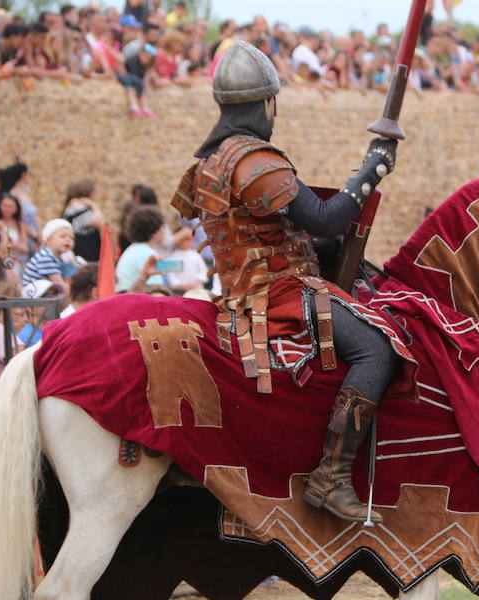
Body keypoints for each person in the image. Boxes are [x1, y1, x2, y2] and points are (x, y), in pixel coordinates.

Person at [170, 41, 400, 524]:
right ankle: (332, 477)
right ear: (266, 103)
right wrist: (371, 169)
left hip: (250, 288)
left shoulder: (208, 164)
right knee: (377, 347)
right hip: (278, 294)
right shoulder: (254, 161)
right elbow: (325, 219)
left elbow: (266, 231)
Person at [115, 206, 167, 293]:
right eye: (162, 227)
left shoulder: (132, 249)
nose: (164, 231)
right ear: (154, 233)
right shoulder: (148, 254)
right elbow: (157, 291)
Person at [22, 218, 74, 293]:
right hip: (34, 298)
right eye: (63, 236)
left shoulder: (57, 257)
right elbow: (61, 286)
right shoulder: (45, 257)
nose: (68, 240)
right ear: (49, 240)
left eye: (71, 237)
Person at [62, 179, 103, 262]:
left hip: (85, 248)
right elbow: (99, 222)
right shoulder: (79, 207)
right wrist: (93, 205)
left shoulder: (75, 205)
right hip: (85, 249)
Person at [166, 225, 207, 293]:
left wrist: (195, 283)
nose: (188, 242)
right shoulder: (172, 257)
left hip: (197, 291)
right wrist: (183, 286)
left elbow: (204, 272)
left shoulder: (196, 255)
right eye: (185, 239)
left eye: (190, 239)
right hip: (179, 292)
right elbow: (172, 279)